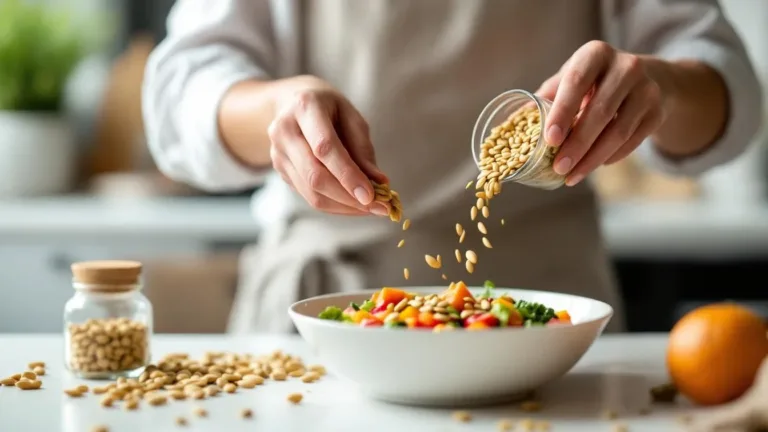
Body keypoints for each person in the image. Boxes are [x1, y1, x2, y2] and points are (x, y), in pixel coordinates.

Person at [142, 0, 762, 333]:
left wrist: (663, 86)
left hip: (553, 318)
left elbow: (731, 89)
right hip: (330, 306)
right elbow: (177, 95)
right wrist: (277, 110)